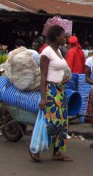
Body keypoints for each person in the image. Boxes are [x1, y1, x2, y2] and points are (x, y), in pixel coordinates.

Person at [31, 25, 72, 162]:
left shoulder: (59, 51)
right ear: (56, 37)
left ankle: (56, 152)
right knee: (51, 123)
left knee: (62, 123)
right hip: (50, 91)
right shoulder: (46, 53)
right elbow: (43, 76)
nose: (65, 38)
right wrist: (43, 98)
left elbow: (60, 70)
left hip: (60, 90)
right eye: (63, 35)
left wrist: (65, 78)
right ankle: (35, 149)